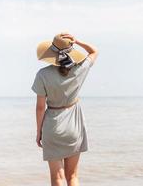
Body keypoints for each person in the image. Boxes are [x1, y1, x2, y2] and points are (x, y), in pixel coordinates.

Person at [31, 32, 98, 186]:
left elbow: (40, 108)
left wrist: (38, 132)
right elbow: (94, 51)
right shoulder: (80, 68)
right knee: (73, 176)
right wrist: (78, 41)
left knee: (57, 177)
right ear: (71, 50)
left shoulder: (43, 75)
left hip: (52, 127)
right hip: (74, 125)